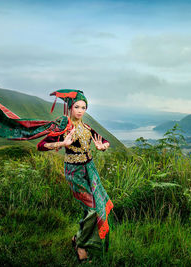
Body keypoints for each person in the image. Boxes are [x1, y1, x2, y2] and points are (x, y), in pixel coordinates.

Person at [37, 90, 113, 262]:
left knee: (94, 207)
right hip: (74, 172)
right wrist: (62, 143)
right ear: (70, 107)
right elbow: (41, 145)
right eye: (77, 107)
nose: (80, 110)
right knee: (93, 208)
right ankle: (81, 244)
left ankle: (79, 238)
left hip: (90, 170)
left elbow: (104, 140)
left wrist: (103, 147)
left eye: (84, 107)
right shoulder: (64, 125)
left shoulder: (86, 127)